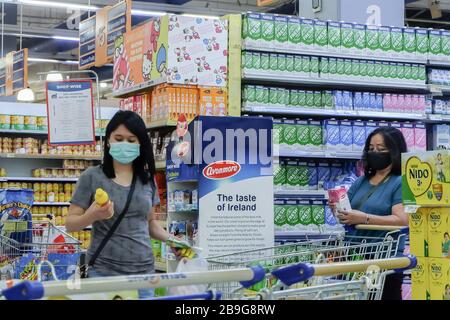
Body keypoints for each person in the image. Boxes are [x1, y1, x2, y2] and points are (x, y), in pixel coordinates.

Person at [66, 111, 182, 299]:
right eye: (118, 138)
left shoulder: (146, 180)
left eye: (131, 140)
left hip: (144, 272)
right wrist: (92, 215)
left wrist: (173, 241)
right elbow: (70, 224)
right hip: (104, 273)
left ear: (140, 144)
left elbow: (151, 224)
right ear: (109, 141)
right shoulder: (92, 176)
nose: (124, 144)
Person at [329, 127, 409, 301]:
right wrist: (337, 208)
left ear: (395, 151)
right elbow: (347, 213)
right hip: (355, 259)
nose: (375, 153)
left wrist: (363, 218)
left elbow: (402, 220)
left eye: (381, 149)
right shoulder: (362, 180)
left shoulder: (401, 182)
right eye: (371, 149)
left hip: (384, 263)